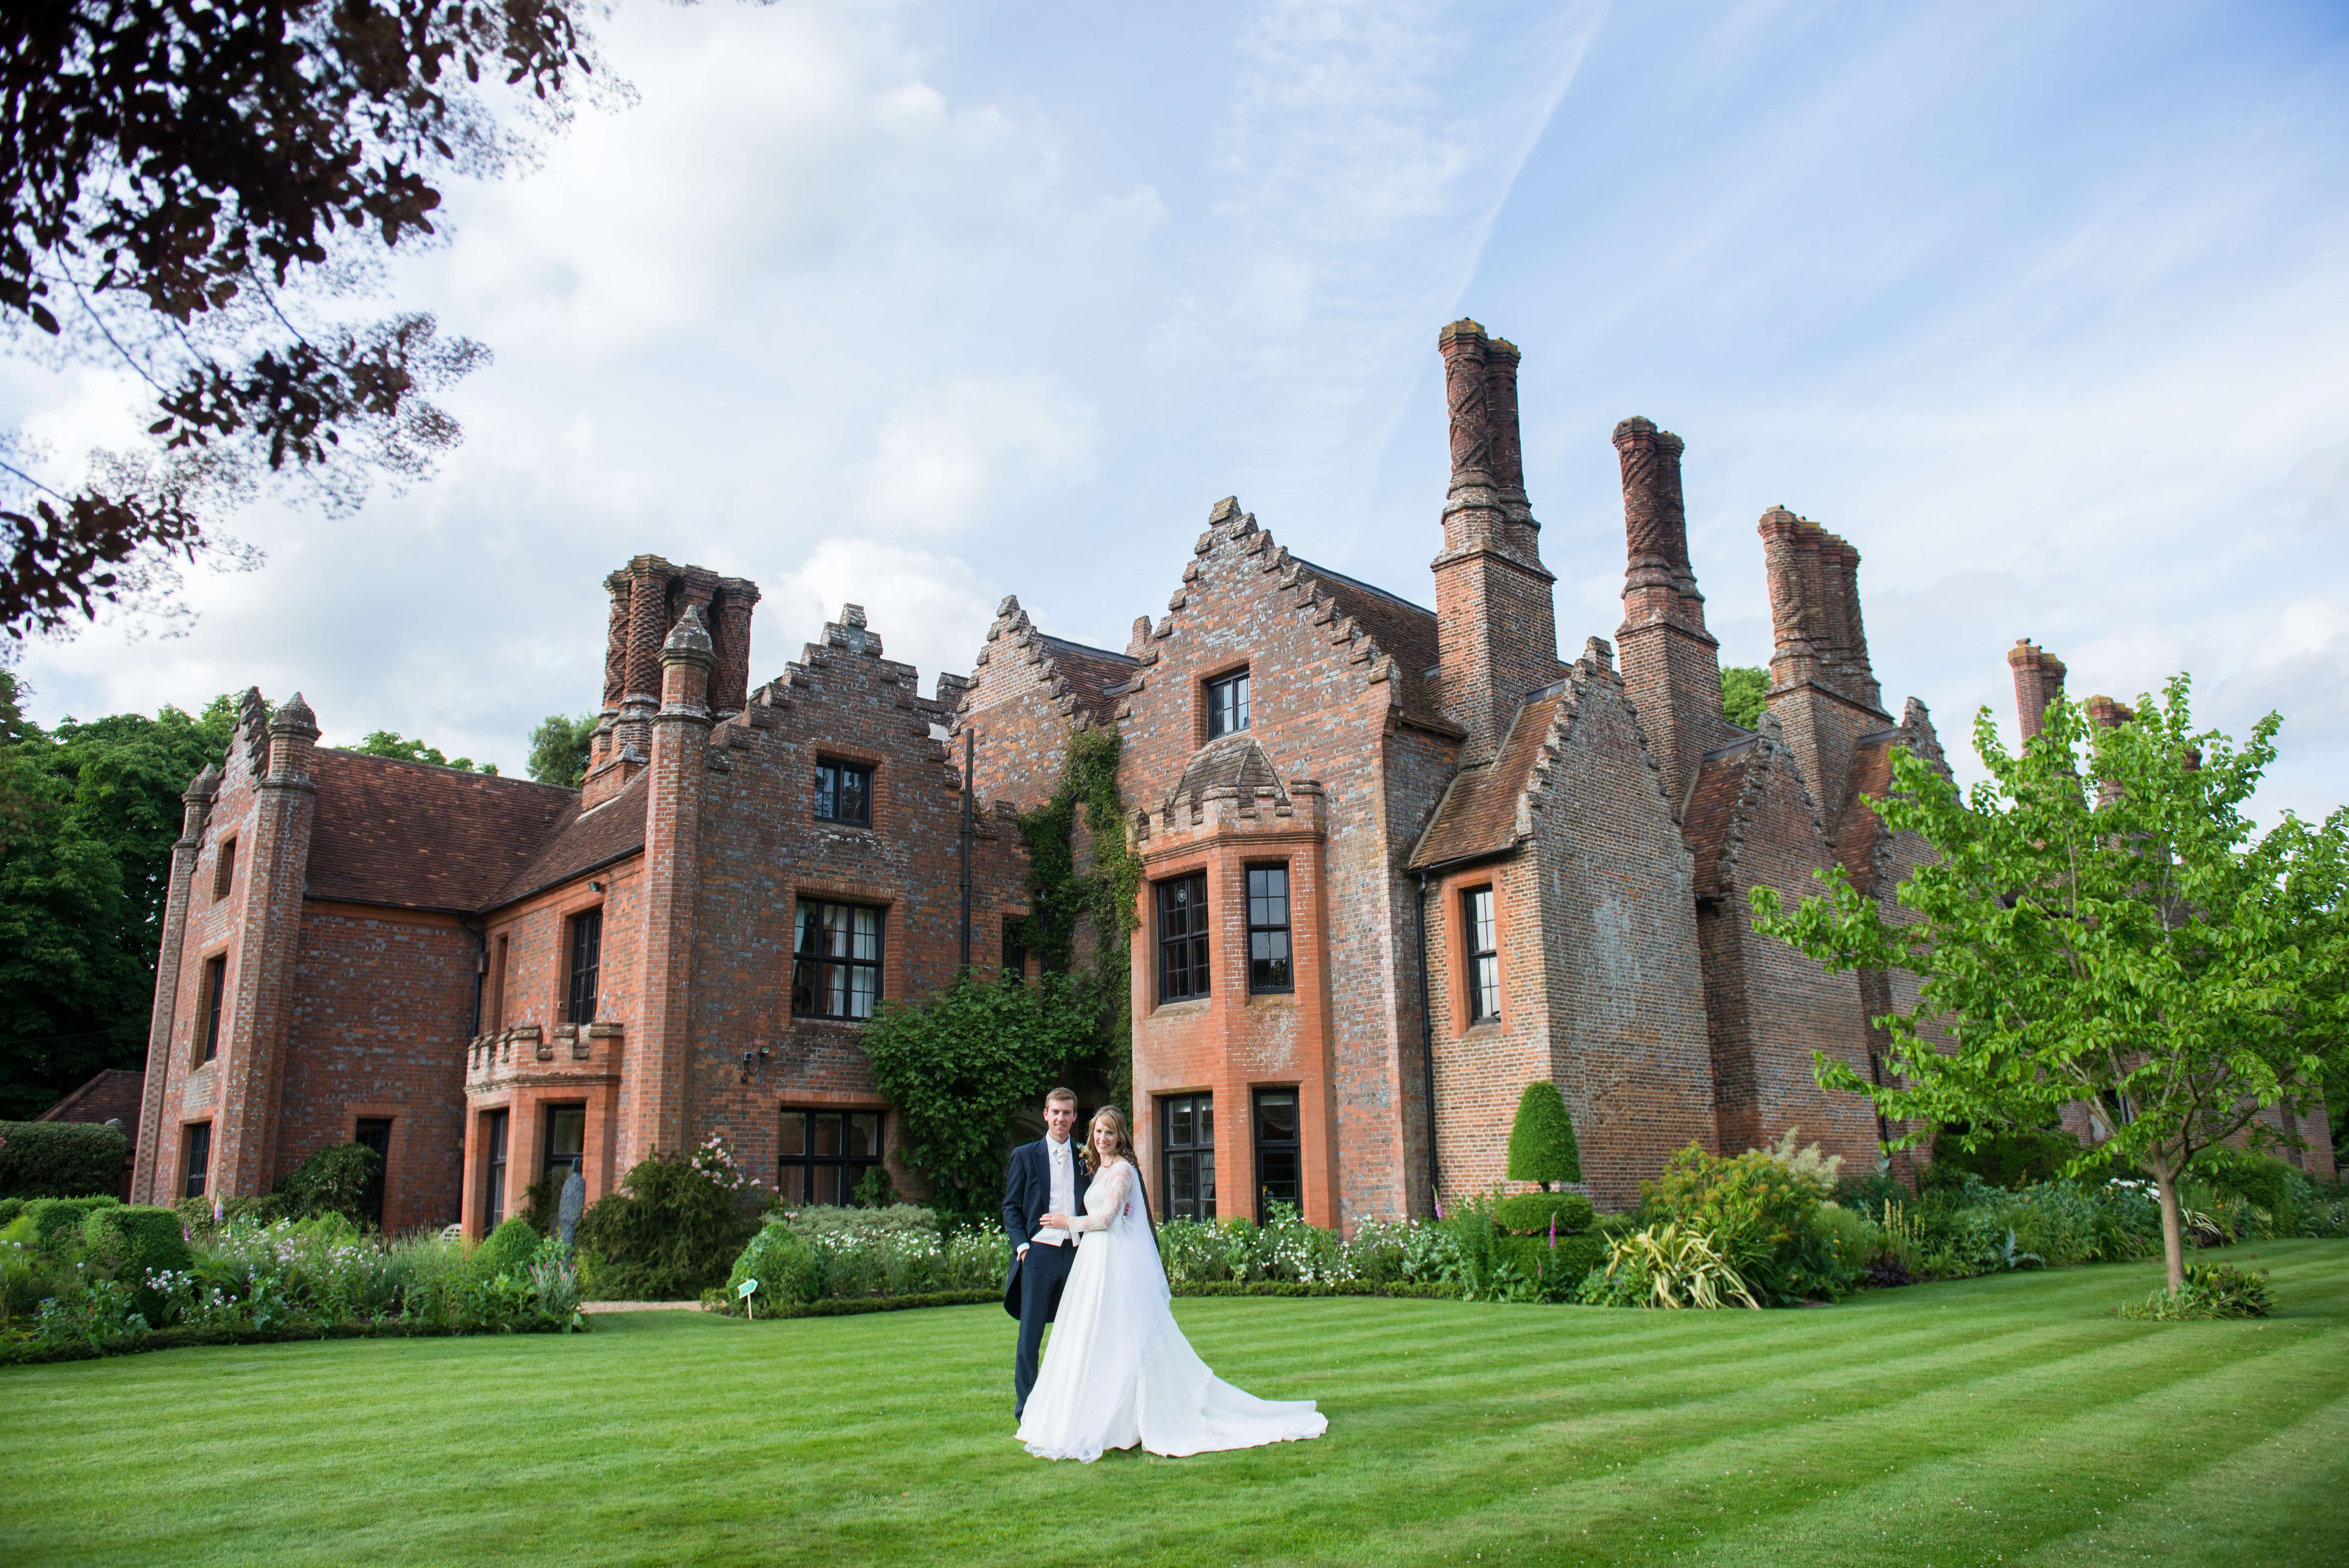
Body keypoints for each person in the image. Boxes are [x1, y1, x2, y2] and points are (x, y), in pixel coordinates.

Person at [1015, 1105, 1328, 1462]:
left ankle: (1131, 1417)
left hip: (1112, 1258)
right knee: (1093, 1335)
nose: (1103, 1139)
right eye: (1099, 1132)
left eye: (1110, 1133)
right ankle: (1102, 1415)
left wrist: (1066, 1221)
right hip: (1094, 1262)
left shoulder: (1121, 1170)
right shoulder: (1098, 1167)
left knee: (1123, 1336)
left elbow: (1106, 1218)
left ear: (1121, 1137)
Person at [1002, 1086, 1084, 1417]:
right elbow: (1010, 1207)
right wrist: (1023, 1247)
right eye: (1055, 1112)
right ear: (1045, 1115)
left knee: (1079, 1332)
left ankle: (1071, 1406)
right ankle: (1027, 1410)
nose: (1061, 1118)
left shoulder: (1086, 1155)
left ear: (1074, 1117)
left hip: (1078, 1253)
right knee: (1030, 1337)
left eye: (1067, 1112)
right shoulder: (1025, 1154)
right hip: (1038, 1253)